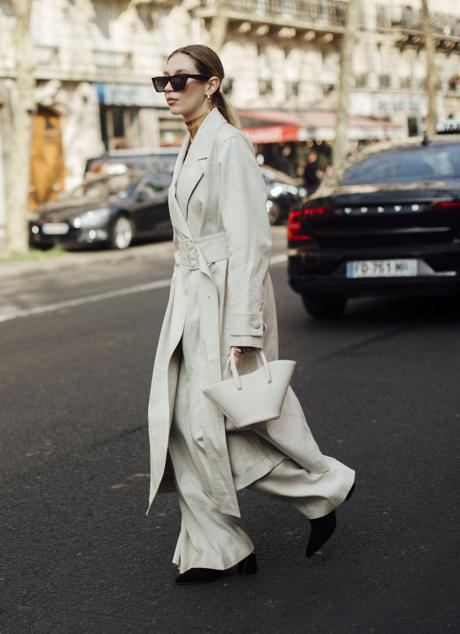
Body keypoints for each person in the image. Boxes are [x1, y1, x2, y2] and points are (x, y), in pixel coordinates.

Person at [147, 44, 356, 585]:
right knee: (183, 427)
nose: (168, 89)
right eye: (161, 81)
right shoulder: (191, 143)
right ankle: (220, 548)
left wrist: (244, 326)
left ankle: (322, 487)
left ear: (211, 84)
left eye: (179, 79)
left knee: (217, 424)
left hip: (221, 300)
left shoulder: (229, 145)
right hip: (189, 298)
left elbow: (250, 242)